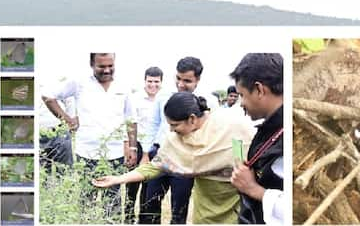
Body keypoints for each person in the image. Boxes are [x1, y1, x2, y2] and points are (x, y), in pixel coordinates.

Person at [94, 92, 255, 224]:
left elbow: (246, 160)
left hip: (236, 208)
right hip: (205, 210)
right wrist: (118, 179)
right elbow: (155, 166)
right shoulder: (176, 140)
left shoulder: (231, 128)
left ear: (192, 119)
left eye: (175, 125)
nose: (171, 130)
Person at [41, 53, 137, 220]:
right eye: (101, 66)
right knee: (87, 202)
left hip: (115, 154)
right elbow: (49, 96)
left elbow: (131, 119)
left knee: (112, 203)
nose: (107, 70)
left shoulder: (123, 85)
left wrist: (133, 147)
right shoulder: (79, 83)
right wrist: (67, 120)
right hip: (86, 153)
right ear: (92, 64)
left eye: (110, 66)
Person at [144, 57, 220, 224]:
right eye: (178, 78)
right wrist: (146, 152)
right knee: (150, 202)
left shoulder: (209, 102)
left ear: (198, 79)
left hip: (187, 160)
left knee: (179, 208)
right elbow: (154, 124)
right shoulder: (163, 95)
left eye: (187, 80)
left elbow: (213, 133)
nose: (180, 84)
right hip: (161, 154)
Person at [229, 53, 284, 225]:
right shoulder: (272, 127)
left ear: (259, 90)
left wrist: (253, 189)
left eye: (242, 95)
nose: (241, 103)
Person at [125, 66, 164, 224]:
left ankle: (143, 219)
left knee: (149, 188)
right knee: (132, 186)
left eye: (156, 81)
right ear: (144, 81)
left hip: (156, 148)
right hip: (138, 146)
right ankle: (128, 218)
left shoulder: (163, 99)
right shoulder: (135, 99)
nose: (153, 85)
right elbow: (129, 124)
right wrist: (130, 147)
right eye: (150, 81)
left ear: (161, 82)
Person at [39, 96, 74, 172]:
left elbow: (69, 100)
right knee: (41, 172)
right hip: (40, 131)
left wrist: (69, 123)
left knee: (64, 170)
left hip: (58, 128)